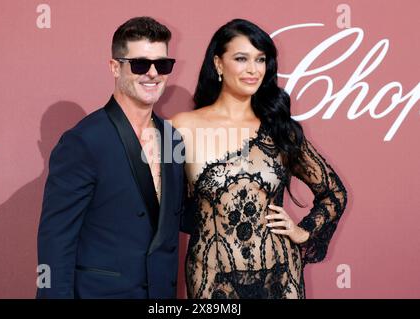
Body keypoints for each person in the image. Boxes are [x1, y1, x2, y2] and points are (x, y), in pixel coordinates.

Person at [172, 19, 347, 299]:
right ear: (218, 63)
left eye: (260, 59)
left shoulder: (279, 129)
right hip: (212, 279)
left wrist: (302, 231)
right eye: (241, 59)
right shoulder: (183, 127)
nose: (253, 69)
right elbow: (159, 205)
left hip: (280, 276)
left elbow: (333, 193)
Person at [37, 16, 185, 299]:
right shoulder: (83, 142)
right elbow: (56, 242)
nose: (153, 73)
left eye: (162, 65)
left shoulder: (173, 138)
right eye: (140, 64)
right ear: (115, 67)